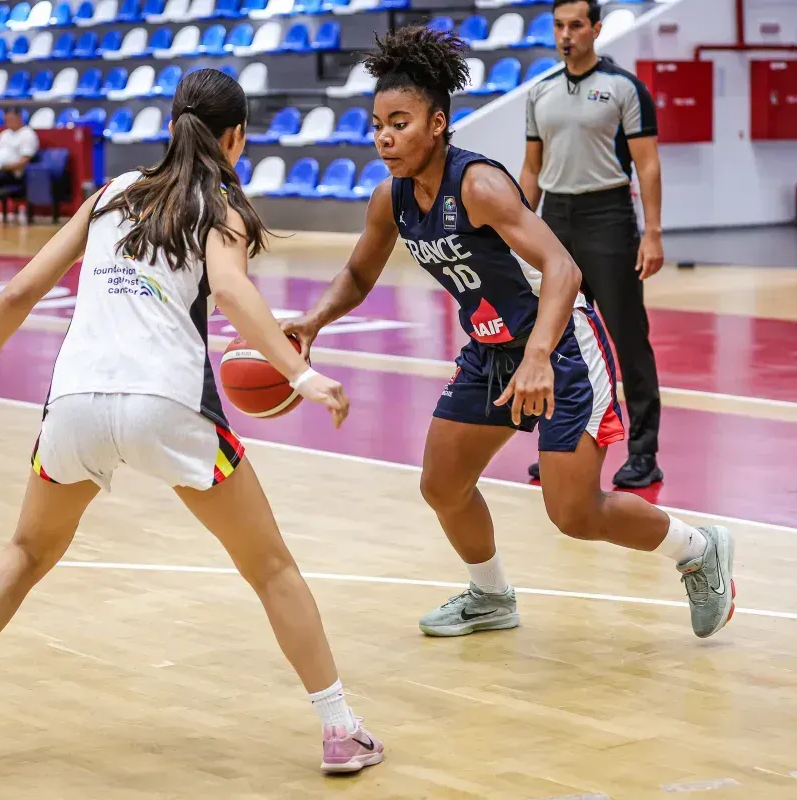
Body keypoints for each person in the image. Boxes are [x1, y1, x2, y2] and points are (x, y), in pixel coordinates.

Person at [0, 69, 385, 775]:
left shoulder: (110, 193)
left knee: (26, 551)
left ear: (172, 123)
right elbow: (232, 290)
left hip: (75, 405)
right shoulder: (220, 205)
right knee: (272, 568)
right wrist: (301, 373)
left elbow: (20, 288)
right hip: (167, 406)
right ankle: (340, 731)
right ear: (236, 138)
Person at [283, 27, 734, 641]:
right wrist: (312, 321)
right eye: (377, 124)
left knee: (573, 513)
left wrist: (541, 356)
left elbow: (563, 269)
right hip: (492, 351)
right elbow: (360, 272)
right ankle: (491, 597)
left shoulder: (479, 186)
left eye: (401, 122)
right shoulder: (390, 198)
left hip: (563, 346)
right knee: (442, 483)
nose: (385, 138)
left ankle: (698, 549)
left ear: (437, 123)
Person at [522, 0, 666, 488]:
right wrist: (517, 227)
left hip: (608, 217)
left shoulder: (624, 88)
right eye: (559, 26)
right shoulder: (539, 92)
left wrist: (653, 232)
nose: (566, 35)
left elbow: (647, 164)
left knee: (627, 337)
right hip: (556, 218)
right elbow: (532, 169)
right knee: (559, 337)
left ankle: (644, 453)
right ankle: (564, 446)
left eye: (576, 25)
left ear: (595, 29)